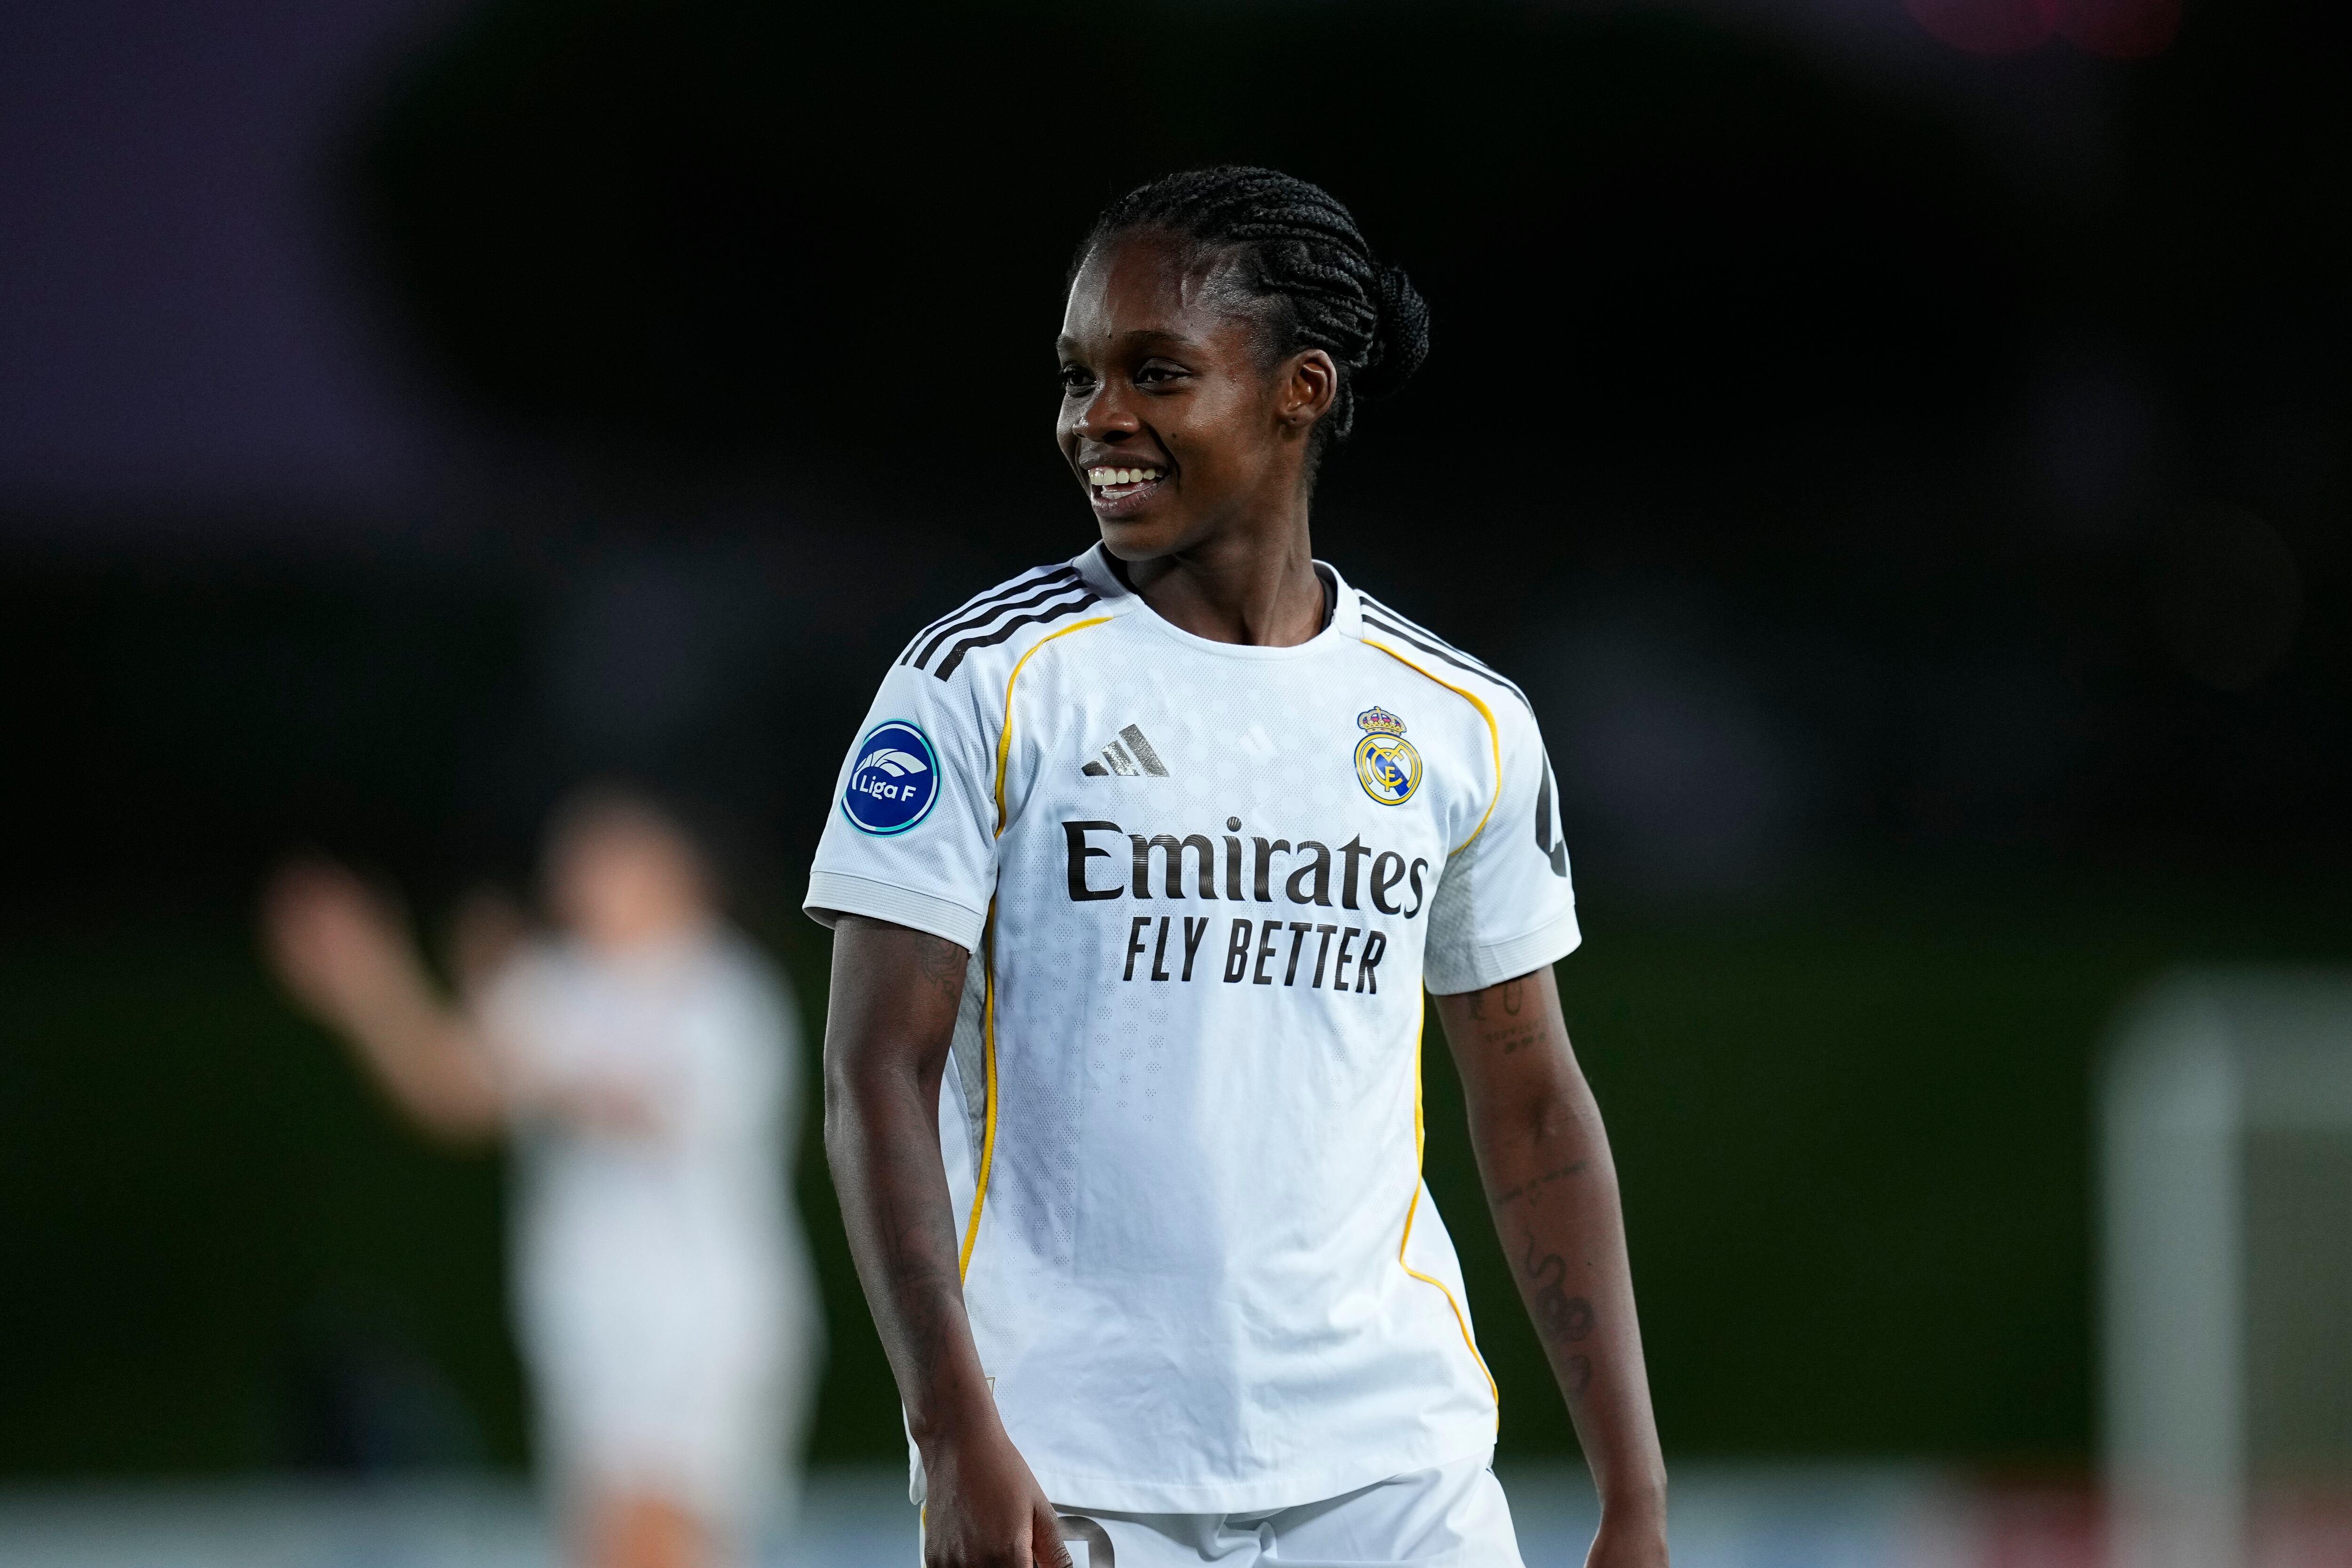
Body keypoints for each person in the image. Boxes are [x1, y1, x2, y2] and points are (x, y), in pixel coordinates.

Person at [810, 167, 1669, 1568]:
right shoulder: (978, 683)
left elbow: (1532, 1104)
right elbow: (874, 1072)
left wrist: (1632, 1492)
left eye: (1157, 371)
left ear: (1302, 390)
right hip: (1076, 1474)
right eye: (1079, 377)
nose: (1100, 420)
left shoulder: (1461, 721)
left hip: (1397, 1472)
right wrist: (954, 1429)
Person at [261, 787, 820, 1568]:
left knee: (654, 1544)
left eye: (613, 848)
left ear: (682, 869)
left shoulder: (722, 991)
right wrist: (367, 978)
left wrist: (506, 1012)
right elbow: (449, 1085)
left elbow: (629, 1100)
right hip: (591, 1339)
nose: (582, 869)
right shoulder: (560, 986)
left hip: (696, 1334)